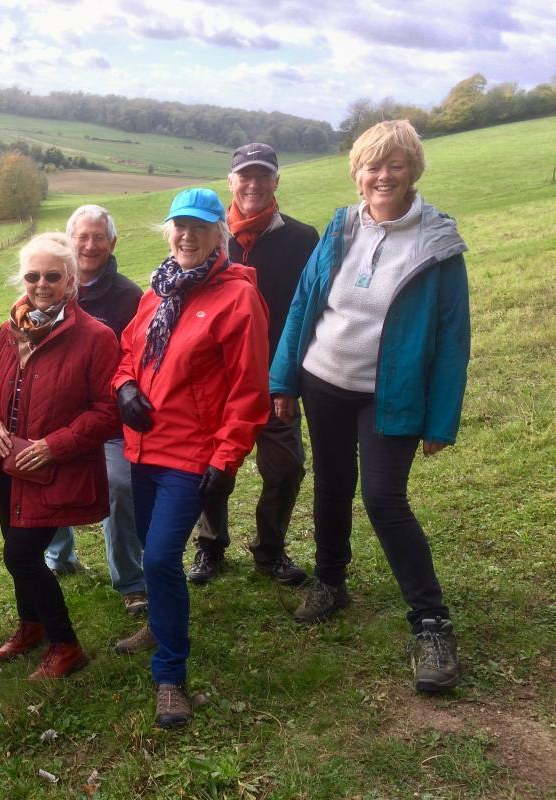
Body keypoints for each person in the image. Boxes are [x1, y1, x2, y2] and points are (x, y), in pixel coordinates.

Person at [270, 120, 470, 692]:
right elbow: (304, 303)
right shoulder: (340, 226)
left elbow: (454, 338)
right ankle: (331, 581)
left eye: (395, 166)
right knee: (331, 485)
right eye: (371, 167)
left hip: (392, 394)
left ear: (413, 171)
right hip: (323, 382)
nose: (381, 176)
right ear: (357, 173)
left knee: (384, 498)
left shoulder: (436, 244)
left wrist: (441, 419)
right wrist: (283, 379)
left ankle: (430, 621)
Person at [113, 188, 270, 727]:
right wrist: (125, 386)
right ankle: (160, 621)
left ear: (218, 235)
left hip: (190, 455)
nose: (187, 235)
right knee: (149, 548)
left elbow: (248, 390)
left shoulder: (237, 299)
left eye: (200, 227)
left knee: (158, 558)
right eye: (179, 225)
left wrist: (226, 458)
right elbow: (128, 353)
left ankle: (171, 676)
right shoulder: (156, 292)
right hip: (143, 448)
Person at [0, 232, 120, 678]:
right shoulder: (9, 329)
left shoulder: (95, 337)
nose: (41, 285)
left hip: (53, 470)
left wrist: (54, 447)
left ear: (71, 279)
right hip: (4, 465)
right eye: (32, 276)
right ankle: (31, 625)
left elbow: (108, 412)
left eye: (52, 276)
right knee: (19, 551)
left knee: (20, 556)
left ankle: (65, 643)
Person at [187, 144, 319, 586]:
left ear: (276, 181)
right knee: (211, 468)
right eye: (245, 175)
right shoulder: (205, 237)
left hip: (273, 380)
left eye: (263, 175)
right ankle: (210, 545)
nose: (254, 184)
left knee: (284, 467)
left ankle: (270, 548)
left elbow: (311, 312)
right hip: (214, 383)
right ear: (231, 181)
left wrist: (289, 378)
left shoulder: (303, 240)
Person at [43, 205, 147, 616]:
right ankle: (58, 558)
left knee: (120, 488)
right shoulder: (51, 286)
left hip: (111, 424)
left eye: (98, 237)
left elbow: (138, 358)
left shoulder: (129, 296)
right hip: (59, 417)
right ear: (68, 242)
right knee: (43, 472)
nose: (88, 245)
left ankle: (130, 579)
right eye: (81, 237)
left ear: (112, 243)